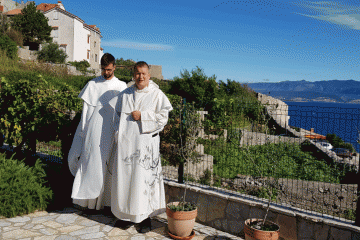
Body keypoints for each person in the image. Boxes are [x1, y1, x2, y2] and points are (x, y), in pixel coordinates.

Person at [108, 61, 172, 229]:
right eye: (137, 73)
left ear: (149, 75)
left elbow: (163, 118)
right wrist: (118, 134)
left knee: (143, 181)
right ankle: (125, 215)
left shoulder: (157, 95)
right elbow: (116, 118)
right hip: (126, 146)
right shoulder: (125, 94)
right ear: (133, 74)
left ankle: (144, 218)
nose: (140, 77)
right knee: (126, 180)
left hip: (145, 146)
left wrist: (142, 115)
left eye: (143, 73)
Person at [68, 53, 127, 210]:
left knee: (110, 164)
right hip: (94, 129)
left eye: (108, 69)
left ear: (114, 67)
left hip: (112, 129)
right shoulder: (92, 84)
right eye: (103, 69)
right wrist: (83, 131)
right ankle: (88, 202)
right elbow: (86, 111)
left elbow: (124, 111)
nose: (106, 73)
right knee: (92, 162)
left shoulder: (121, 86)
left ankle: (106, 203)